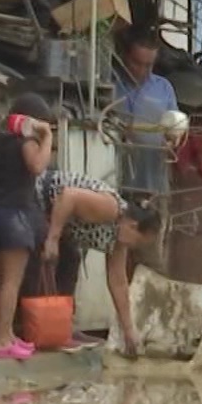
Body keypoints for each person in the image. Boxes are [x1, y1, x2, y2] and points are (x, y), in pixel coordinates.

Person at [35, 170, 164, 356]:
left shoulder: (119, 240)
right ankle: (36, 331)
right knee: (52, 260)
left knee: (70, 262)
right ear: (132, 226)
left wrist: (129, 330)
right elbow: (68, 196)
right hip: (39, 199)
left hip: (61, 226)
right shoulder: (111, 209)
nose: (131, 247)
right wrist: (52, 238)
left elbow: (118, 283)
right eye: (136, 242)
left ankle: (62, 329)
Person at [0, 92, 55, 360]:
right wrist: (48, 137)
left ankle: (7, 336)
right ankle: (1, 339)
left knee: (4, 280)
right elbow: (38, 166)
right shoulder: (26, 142)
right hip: (14, 217)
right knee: (11, 281)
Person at [112, 25, 179, 197]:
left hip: (153, 181)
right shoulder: (110, 84)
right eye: (136, 63)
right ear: (125, 56)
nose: (142, 70)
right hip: (113, 179)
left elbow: (175, 127)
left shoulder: (164, 88)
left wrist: (172, 140)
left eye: (148, 65)